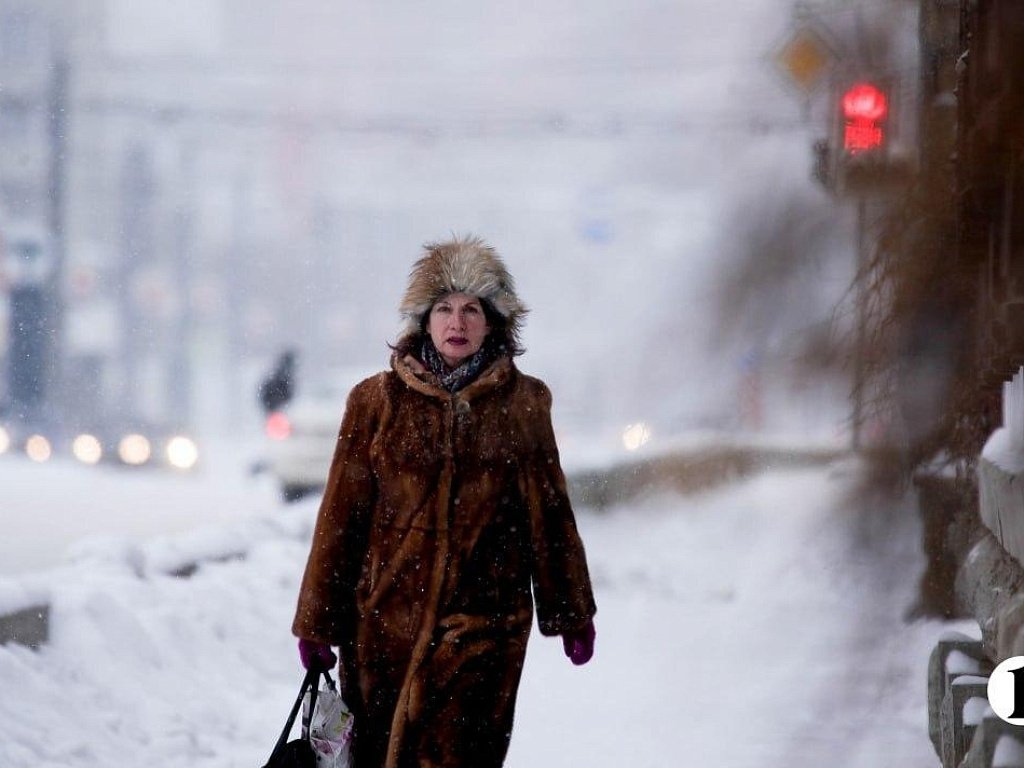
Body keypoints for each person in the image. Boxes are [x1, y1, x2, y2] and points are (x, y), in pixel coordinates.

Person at [292, 235, 597, 768]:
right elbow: (341, 518)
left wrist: (570, 611)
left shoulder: (523, 405)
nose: (457, 322)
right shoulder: (374, 402)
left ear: (492, 322)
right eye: (444, 309)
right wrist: (317, 621)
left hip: (484, 634)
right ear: (424, 321)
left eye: (471, 309)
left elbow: (550, 516)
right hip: (384, 628)